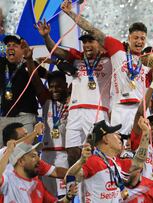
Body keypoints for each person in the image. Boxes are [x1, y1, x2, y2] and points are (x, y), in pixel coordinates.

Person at [61, 0, 150, 135]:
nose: (139, 41)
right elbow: (92, 31)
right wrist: (70, 13)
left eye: (142, 38)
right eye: (136, 38)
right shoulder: (117, 48)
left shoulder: (149, 59)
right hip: (120, 108)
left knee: (141, 147)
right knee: (117, 147)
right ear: (129, 38)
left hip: (140, 109)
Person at [36, 19, 112, 166]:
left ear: (100, 43)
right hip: (75, 111)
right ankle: (74, 186)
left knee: (99, 150)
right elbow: (56, 50)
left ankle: (103, 182)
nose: (87, 45)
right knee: (72, 151)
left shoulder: (108, 59)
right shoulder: (77, 58)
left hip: (96, 110)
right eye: (84, 42)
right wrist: (46, 36)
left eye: (91, 41)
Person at [66, 117, 153, 202]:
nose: (119, 137)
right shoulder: (93, 161)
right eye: (115, 133)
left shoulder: (115, 163)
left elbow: (138, 163)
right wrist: (81, 161)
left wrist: (145, 132)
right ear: (105, 139)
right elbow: (70, 177)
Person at [0, 35, 47, 147]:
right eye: (8, 45)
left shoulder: (30, 64)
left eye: (15, 46)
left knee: (26, 151)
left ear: (22, 50)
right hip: (5, 116)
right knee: (2, 153)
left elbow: (49, 76)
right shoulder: (1, 64)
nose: (10, 48)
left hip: (26, 116)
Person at [0, 141, 77, 202]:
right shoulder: (8, 179)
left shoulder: (37, 185)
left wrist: (68, 196)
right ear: (21, 161)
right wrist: (9, 151)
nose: (38, 159)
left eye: (38, 155)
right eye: (33, 156)